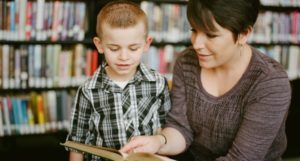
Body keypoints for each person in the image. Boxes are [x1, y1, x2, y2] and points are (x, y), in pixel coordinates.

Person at [120, 0, 292, 160]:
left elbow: (241, 158)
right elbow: (180, 128)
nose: (197, 44)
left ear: (243, 34)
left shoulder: (269, 82)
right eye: (194, 30)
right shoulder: (187, 61)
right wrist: (158, 142)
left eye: (210, 35)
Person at [66, 1, 171, 161]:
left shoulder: (157, 83)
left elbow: (166, 130)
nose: (124, 57)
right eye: (114, 49)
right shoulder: (88, 90)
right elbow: (77, 142)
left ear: (146, 44)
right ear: (99, 45)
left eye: (133, 48)